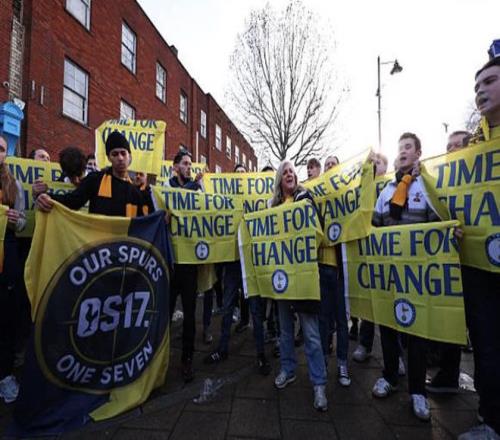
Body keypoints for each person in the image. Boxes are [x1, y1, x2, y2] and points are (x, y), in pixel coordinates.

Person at [371, 133, 442, 422]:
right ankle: (389, 375)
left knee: (417, 333)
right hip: (390, 274)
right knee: (388, 327)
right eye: (399, 148)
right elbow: (375, 227)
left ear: (418, 153)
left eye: (408, 147)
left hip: (418, 276)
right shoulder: (386, 192)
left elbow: (438, 224)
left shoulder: (427, 187)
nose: (402, 152)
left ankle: (418, 391)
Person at [457, 56, 500, 440]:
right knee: (486, 344)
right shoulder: (473, 147)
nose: (480, 91)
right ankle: (490, 418)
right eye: (476, 86)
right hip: (479, 268)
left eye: (489, 81)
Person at [270, 160, 328, 411]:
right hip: (283, 276)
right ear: (279, 179)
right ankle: (288, 369)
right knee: (285, 329)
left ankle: (319, 383)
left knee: (311, 333)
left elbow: (317, 230)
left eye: (292, 171)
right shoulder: (273, 206)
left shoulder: (306, 198)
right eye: (285, 172)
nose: (289, 174)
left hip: (303, 276)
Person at [204, 163, 271, 376]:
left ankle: (260, 354)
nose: (241, 178)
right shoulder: (226, 200)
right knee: (227, 306)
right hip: (233, 262)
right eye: (237, 175)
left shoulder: (258, 200)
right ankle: (222, 348)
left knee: (256, 310)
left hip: (251, 261)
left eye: (244, 175)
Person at [35, 131, 150, 217]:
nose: (120, 158)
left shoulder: (136, 191)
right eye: (115, 154)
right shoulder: (95, 180)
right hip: (100, 241)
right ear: (109, 158)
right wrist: (45, 197)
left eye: (123, 153)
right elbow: (72, 201)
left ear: (129, 156)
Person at [167, 149, 202, 382]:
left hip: (189, 263)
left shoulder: (197, 189)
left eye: (190, 164)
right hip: (171, 263)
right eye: (185, 163)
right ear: (175, 167)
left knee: (190, 315)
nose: (189, 167)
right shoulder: (166, 188)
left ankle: (187, 359)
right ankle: (160, 358)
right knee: (166, 313)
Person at [0, 134, 26, 403]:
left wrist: (14, 220)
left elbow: (22, 222)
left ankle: (5, 375)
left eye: (0, 148)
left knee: (6, 316)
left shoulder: (13, 184)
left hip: (5, 254)